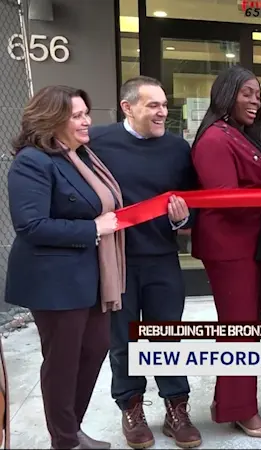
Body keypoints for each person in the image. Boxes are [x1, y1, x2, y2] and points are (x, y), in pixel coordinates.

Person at [6, 85, 124, 449]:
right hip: (55, 282)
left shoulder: (83, 157)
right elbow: (30, 225)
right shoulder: (33, 161)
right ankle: (65, 439)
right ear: (51, 120)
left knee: (95, 349)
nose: (87, 120)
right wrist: (93, 227)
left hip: (92, 277)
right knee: (63, 363)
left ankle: (71, 428)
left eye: (86, 113)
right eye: (76, 115)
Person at [88, 75, 199, 449]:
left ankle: (176, 409)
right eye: (153, 105)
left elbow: (193, 203)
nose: (162, 112)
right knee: (123, 340)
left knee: (167, 335)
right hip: (116, 261)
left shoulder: (177, 149)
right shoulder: (97, 143)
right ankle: (131, 407)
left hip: (163, 258)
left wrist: (183, 220)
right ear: (127, 107)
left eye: (164, 106)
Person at [190, 65, 261, 438]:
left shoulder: (240, 135)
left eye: (258, 94)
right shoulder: (215, 140)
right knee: (239, 332)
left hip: (250, 247)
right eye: (247, 93)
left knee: (245, 329)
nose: (255, 101)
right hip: (230, 250)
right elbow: (228, 200)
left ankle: (231, 403)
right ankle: (242, 410)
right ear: (226, 95)